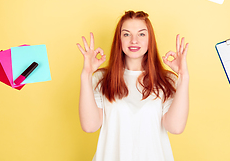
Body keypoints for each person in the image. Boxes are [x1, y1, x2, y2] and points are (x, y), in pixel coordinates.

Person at [77, 11, 189, 161]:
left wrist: (183, 76)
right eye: (126, 34)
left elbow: (175, 128)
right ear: (119, 40)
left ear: (150, 40)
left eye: (141, 34)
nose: (134, 40)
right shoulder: (101, 79)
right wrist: (86, 74)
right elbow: (90, 126)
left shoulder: (167, 80)